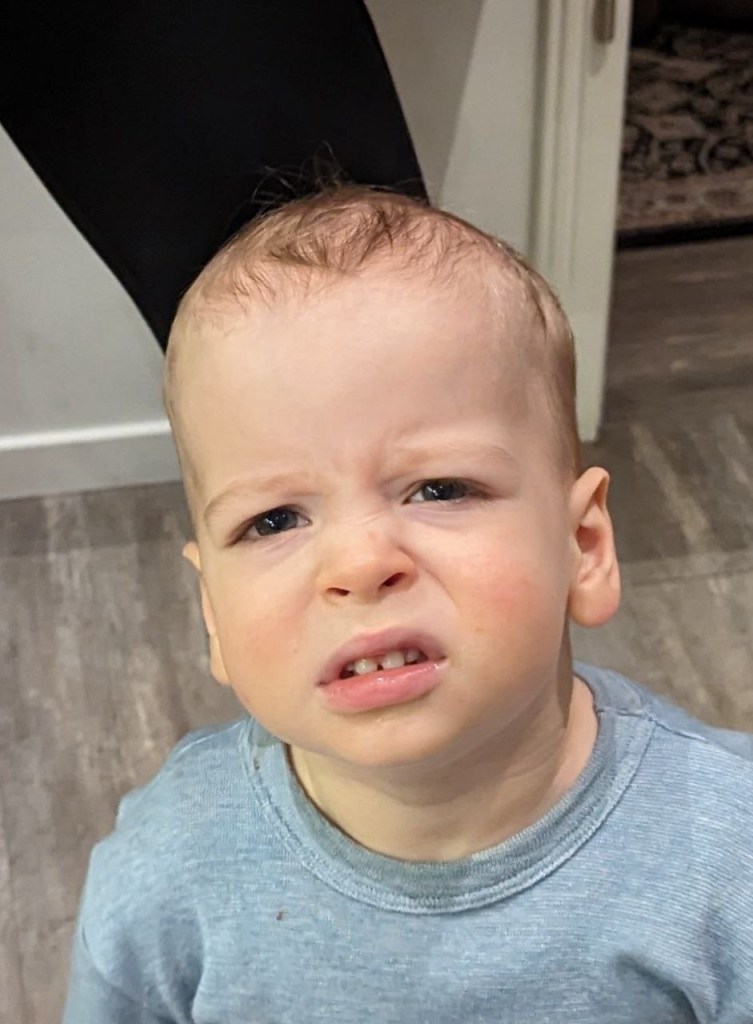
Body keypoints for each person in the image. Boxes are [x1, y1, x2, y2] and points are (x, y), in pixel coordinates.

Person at [63, 186, 753, 1023]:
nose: (358, 565)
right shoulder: (164, 876)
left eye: (438, 488)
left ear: (583, 546)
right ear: (211, 609)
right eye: (272, 520)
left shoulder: (726, 858)